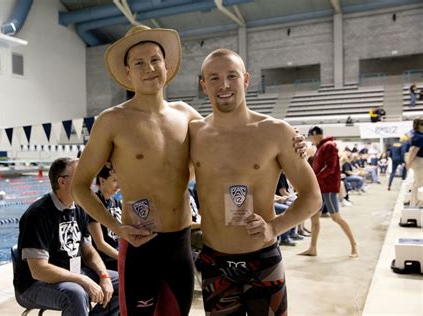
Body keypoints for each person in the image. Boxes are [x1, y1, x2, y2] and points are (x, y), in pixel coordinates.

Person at [71, 26, 308, 316]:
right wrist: (116, 226)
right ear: (128, 73)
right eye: (139, 63)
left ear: (167, 66)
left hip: (180, 243)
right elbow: (80, 186)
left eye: (155, 60)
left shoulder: (188, 117)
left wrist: (297, 143)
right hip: (138, 243)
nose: (149, 68)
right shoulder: (111, 121)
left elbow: (229, 134)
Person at [189, 48, 322, 315]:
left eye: (232, 76)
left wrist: (275, 228)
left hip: (262, 261)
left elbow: (312, 197)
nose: (223, 85)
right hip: (214, 261)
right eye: (213, 78)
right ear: (204, 86)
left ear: (246, 80)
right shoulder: (193, 133)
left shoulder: (276, 132)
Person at [14, 157, 119, 316]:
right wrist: (82, 280)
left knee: (122, 281)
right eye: (81, 176)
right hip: (35, 284)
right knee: (76, 293)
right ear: (62, 182)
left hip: (73, 274)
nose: (88, 182)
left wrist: (103, 276)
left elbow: (89, 252)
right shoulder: (38, 214)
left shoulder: (79, 209)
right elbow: (39, 270)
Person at [299, 126, 358, 258]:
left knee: (336, 217)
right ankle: (312, 248)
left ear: (316, 135)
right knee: (314, 218)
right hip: (320, 187)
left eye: (311, 138)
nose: (311, 141)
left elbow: (330, 168)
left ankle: (354, 245)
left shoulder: (329, 146)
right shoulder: (321, 147)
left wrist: (315, 178)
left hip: (328, 188)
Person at [87, 164, 122, 271]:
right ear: (102, 181)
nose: (120, 185)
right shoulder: (94, 203)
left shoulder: (116, 202)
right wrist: (123, 258)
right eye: (115, 180)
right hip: (105, 259)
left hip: (118, 253)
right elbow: (100, 244)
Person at [405, 118, 423, 207]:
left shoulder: (415, 134)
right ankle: (415, 203)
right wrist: (408, 163)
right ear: (419, 126)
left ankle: (414, 202)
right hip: (418, 160)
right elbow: (413, 151)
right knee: (418, 183)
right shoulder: (419, 137)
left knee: (417, 182)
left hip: (418, 160)